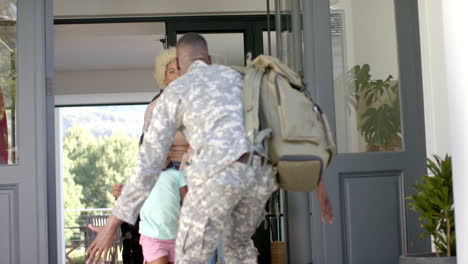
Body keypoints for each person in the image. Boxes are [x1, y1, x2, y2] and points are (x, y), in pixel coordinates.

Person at [86, 33, 333, 264]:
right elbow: (286, 127)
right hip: (255, 179)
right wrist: (317, 181)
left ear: (180, 68)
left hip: (218, 179)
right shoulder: (239, 79)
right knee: (239, 248)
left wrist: (110, 227)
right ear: (210, 60)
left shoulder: (175, 94)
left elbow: (148, 167)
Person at [138, 131, 189, 264]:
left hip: (175, 238)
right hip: (152, 237)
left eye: (168, 148)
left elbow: (187, 204)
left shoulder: (177, 175)